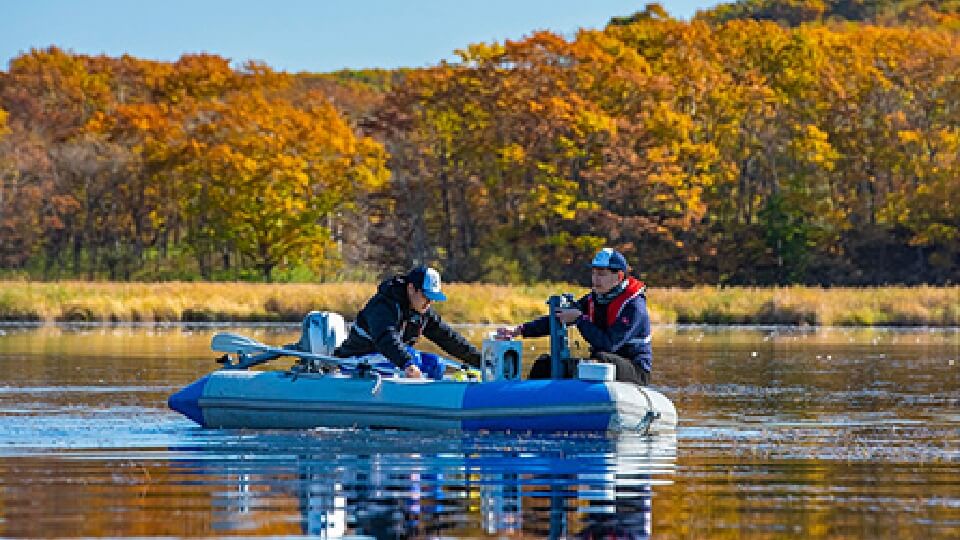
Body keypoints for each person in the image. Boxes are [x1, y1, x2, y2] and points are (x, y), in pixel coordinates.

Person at [497, 248, 652, 385]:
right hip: (601, 364)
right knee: (544, 365)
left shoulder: (634, 307)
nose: (595, 279)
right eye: (594, 273)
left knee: (600, 357)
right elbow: (557, 318)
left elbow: (609, 345)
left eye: (601, 274)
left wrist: (579, 319)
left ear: (618, 277)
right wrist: (519, 330)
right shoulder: (593, 299)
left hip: (635, 370)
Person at [334, 265, 481, 378]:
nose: (429, 302)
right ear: (411, 288)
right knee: (414, 358)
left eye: (432, 299)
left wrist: (481, 362)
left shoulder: (422, 312)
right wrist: (407, 364)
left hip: (387, 360)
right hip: (356, 359)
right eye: (426, 296)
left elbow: (449, 339)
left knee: (436, 365)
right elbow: (387, 338)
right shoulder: (383, 306)